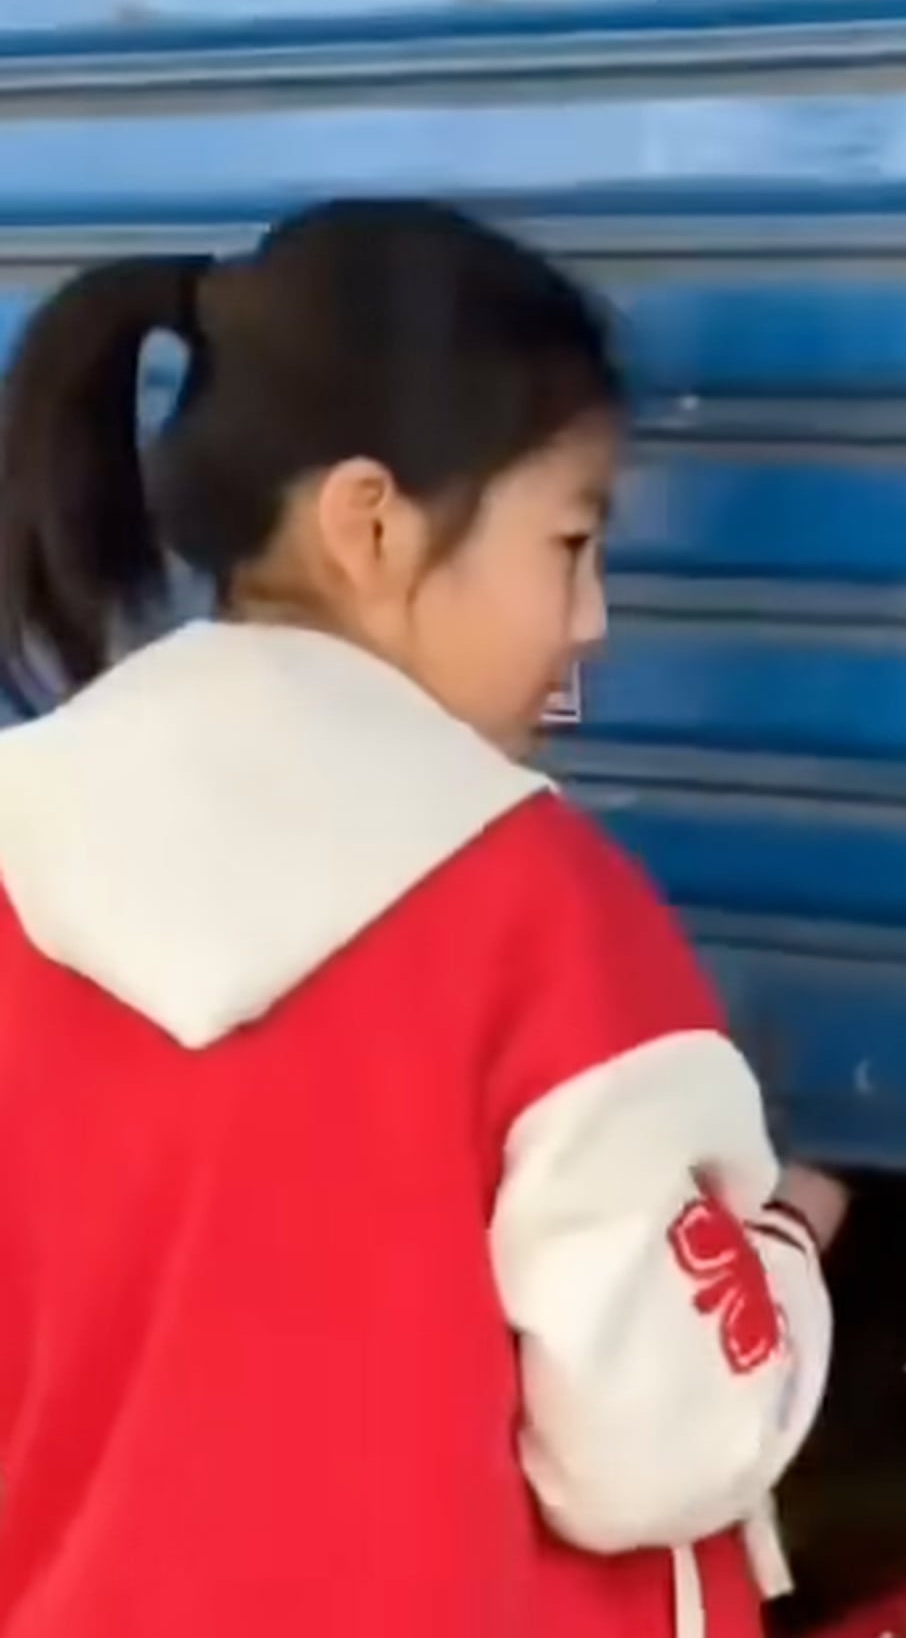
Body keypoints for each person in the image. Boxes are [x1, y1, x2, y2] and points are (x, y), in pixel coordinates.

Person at [0, 199, 848, 1638]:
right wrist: (777, 1247)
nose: (591, 622)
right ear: (372, 523)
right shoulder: (538, 909)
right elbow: (654, 1438)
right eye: (570, 541)